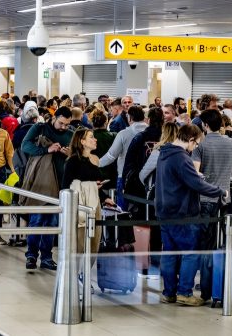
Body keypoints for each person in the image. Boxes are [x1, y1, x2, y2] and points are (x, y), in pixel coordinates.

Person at [155, 124, 226, 307]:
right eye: (195, 144)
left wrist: (193, 175)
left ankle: (168, 292)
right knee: (190, 253)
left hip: (164, 211)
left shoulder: (164, 153)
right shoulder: (181, 157)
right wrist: (220, 192)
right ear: (191, 139)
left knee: (169, 253)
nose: (194, 148)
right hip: (183, 213)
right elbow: (197, 185)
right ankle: (184, 293)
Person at [192, 109, 232, 301]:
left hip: (205, 200)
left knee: (205, 244)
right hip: (225, 200)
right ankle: (220, 281)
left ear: (204, 125)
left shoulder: (201, 145)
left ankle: (205, 287)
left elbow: (196, 174)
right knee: (222, 242)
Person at [21, 106, 74, 271]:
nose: (64, 127)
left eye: (67, 124)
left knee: (51, 222)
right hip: (41, 182)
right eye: (61, 123)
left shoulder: (70, 134)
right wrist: (46, 150)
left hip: (60, 183)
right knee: (37, 219)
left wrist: (69, 153)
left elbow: (76, 155)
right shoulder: (40, 128)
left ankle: (46, 257)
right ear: (54, 117)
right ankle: (31, 255)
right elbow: (25, 146)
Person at [62, 128, 115, 276]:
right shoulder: (72, 161)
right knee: (79, 242)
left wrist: (104, 197)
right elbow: (66, 186)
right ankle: (74, 274)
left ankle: (84, 274)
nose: (95, 139)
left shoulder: (95, 159)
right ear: (82, 141)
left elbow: (95, 183)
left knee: (94, 242)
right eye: (91, 137)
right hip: (79, 206)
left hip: (95, 204)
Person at [99, 106, 147, 209]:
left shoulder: (123, 134)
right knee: (145, 211)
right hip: (147, 177)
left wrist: (96, 163)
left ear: (129, 118)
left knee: (123, 210)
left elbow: (111, 156)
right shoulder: (152, 132)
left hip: (125, 177)